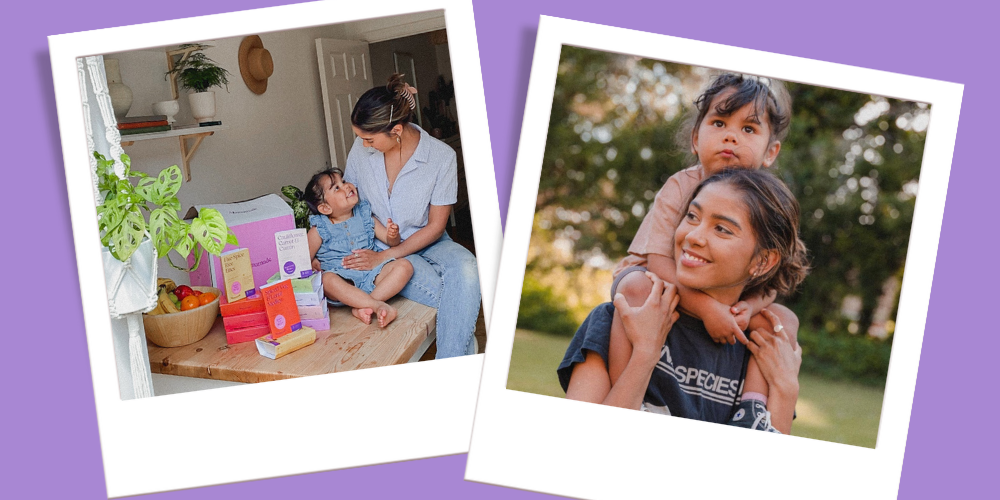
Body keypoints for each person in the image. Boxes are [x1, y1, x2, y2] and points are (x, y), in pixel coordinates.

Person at [609, 73, 798, 422]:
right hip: (659, 279)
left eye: (749, 129)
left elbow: (774, 276)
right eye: (720, 122)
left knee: (782, 320)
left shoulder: (766, 204)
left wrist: (749, 306)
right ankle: (629, 392)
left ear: (771, 151)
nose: (730, 135)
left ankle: (753, 410)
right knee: (635, 286)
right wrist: (709, 310)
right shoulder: (681, 186)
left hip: (725, 296)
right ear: (696, 138)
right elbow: (657, 263)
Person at [559, 169, 808, 433]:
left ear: (762, 261)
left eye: (722, 229)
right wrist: (644, 354)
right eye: (692, 216)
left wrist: (786, 389)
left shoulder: (766, 345)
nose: (693, 236)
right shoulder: (620, 318)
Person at [338, 74, 481, 358]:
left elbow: (437, 225)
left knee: (467, 267)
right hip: (379, 240)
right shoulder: (361, 149)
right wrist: (383, 248)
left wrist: (387, 256)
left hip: (430, 240)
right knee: (455, 297)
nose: (364, 145)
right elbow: (354, 204)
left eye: (369, 139)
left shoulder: (441, 157)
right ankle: (457, 362)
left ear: (397, 130)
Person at [303, 168, 413, 327]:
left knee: (405, 266)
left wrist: (392, 234)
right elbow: (303, 258)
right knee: (327, 280)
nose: (346, 186)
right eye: (337, 188)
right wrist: (312, 261)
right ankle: (376, 305)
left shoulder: (364, 215)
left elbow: (392, 243)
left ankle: (362, 305)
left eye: (344, 181)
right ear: (325, 208)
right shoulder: (320, 228)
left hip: (372, 274)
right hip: (344, 282)